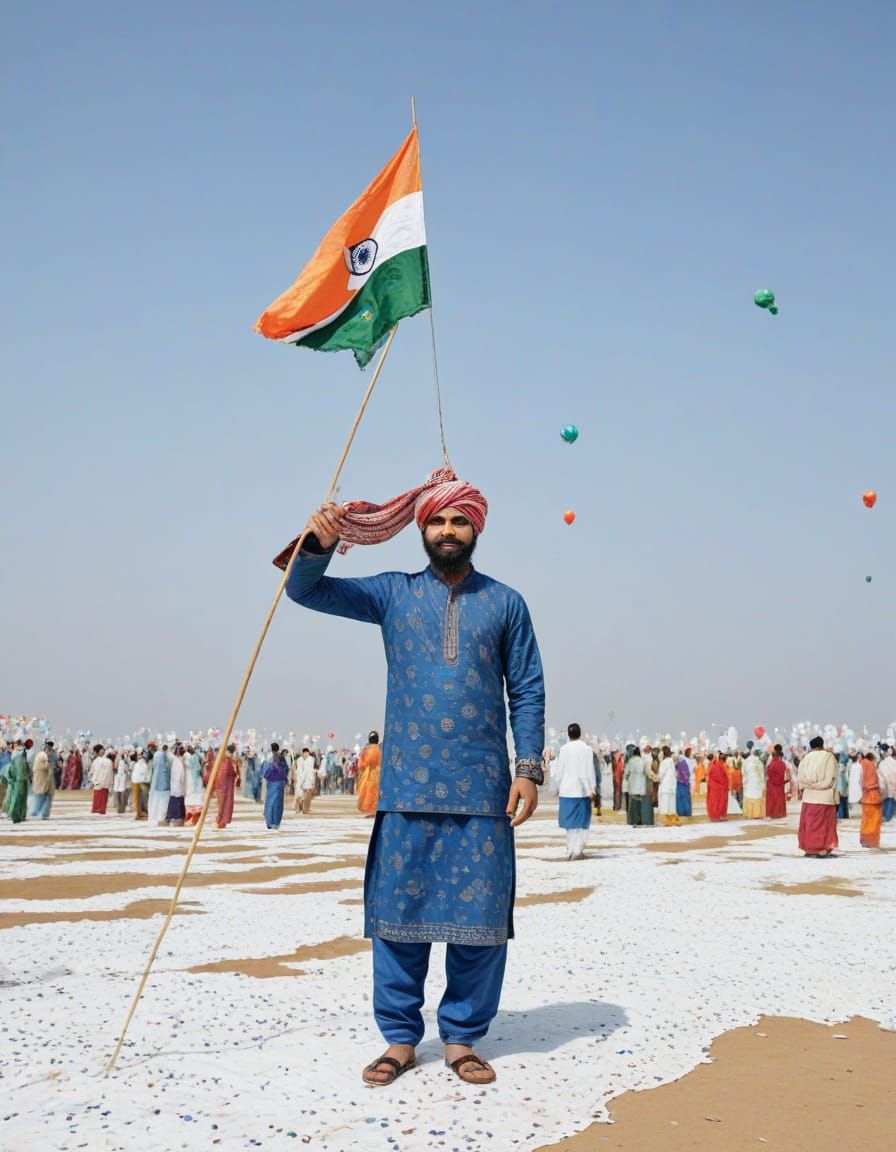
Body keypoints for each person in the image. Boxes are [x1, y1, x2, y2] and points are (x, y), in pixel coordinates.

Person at [283, 472, 544, 1087]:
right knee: (397, 919)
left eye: (459, 521)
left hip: (483, 791)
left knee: (479, 926)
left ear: (476, 527)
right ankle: (400, 1039)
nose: (447, 531)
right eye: (436, 520)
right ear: (420, 528)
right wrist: (318, 541)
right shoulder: (391, 594)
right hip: (405, 790)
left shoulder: (506, 603)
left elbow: (527, 689)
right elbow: (303, 590)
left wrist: (527, 767)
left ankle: (461, 1039)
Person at [550, 723, 596, 859]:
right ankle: (577, 849)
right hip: (582, 791)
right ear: (580, 733)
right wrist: (591, 788)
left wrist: (558, 785)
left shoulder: (564, 749)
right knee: (582, 822)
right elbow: (589, 771)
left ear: (568, 734)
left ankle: (570, 848)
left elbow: (559, 771)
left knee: (569, 823)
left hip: (566, 790)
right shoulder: (587, 749)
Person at [797, 736, 838, 857]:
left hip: (809, 796)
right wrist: (821, 785)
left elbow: (801, 777)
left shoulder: (806, 758)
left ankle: (809, 849)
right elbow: (831, 778)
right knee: (824, 825)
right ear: (822, 744)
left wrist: (811, 785)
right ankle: (822, 849)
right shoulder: (829, 757)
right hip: (824, 797)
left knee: (809, 825)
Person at [623, 744, 652, 826]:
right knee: (640, 803)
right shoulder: (642, 761)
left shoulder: (630, 761)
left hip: (633, 784)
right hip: (641, 784)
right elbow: (646, 772)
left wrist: (628, 779)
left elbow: (626, 774)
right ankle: (640, 819)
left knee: (633, 803)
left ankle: (633, 820)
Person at [859, 752, 883, 849]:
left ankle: (865, 840)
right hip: (874, 797)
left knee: (866, 820)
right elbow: (878, 783)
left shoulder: (862, 765)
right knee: (874, 820)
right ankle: (871, 841)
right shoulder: (871, 767)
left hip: (865, 797)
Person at [262, 742, 288, 830]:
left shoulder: (268, 758)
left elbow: (265, 770)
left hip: (272, 782)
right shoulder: (281, 757)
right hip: (280, 782)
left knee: (270, 802)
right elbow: (286, 769)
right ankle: (276, 822)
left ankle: (270, 822)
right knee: (278, 802)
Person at [5, 741, 32, 823]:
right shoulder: (15, 757)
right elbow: (10, 771)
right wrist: (11, 780)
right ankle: (14, 815)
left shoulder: (23, 758)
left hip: (23, 781)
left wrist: (29, 777)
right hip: (17, 781)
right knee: (16, 798)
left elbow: (28, 770)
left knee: (22, 799)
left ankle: (21, 815)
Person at [356, 732, 382, 817]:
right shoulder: (379, 749)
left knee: (368, 791)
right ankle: (375, 810)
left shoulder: (367, 750)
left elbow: (362, 763)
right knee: (376, 791)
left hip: (368, 773)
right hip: (378, 773)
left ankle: (370, 810)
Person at [215, 744, 240, 829]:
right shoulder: (227, 760)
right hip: (224, 787)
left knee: (224, 805)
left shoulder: (227, 759)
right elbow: (226, 773)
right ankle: (220, 822)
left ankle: (221, 821)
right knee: (224, 805)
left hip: (225, 786)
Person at [30, 743, 55, 820]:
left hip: (40, 780)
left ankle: (37, 813)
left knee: (40, 798)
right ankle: (41, 814)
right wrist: (48, 762)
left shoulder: (39, 755)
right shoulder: (43, 756)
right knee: (43, 798)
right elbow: (45, 767)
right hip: (43, 781)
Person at [148, 744, 172, 825]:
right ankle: (161, 817)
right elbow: (169, 766)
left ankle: (156, 816)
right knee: (164, 802)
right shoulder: (165, 755)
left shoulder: (157, 755)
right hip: (164, 783)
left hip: (157, 782)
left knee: (156, 801)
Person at [657, 746, 679, 826]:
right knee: (671, 806)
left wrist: (657, 778)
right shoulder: (671, 761)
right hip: (672, 787)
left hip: (665, 787)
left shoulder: (664, 762)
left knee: (665, 806)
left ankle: (665, 821)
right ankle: (672, 820)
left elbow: (661, 775)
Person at [165, 745, 187, 826]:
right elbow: (179, 775)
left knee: (177, 800)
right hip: (177, 785)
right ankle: (176, 817)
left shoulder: (178, 761)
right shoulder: (177, 761)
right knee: (176, 800)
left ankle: (176, 817)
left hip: (177, 785)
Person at [765, 745, 788, 819]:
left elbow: (768, 772)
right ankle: (780, 813)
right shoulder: (783, 763)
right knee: (780, 799)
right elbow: (785, 773)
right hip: (780, 784)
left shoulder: (770, 763)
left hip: (771, 784)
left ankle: (771, 813)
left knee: (771, 799)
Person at [742, 749, 765, 819]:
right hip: (757, 783)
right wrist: (762, 783)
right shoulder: (759, 762)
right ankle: (757, 814)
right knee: (757, 796)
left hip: (749, 782)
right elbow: (762, 774)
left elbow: (743, 773)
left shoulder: (746, 762)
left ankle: (749, 813)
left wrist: (744, 782)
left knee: (749, 796)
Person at [90, 745, 114, 814]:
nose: (101, 751)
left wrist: (104, 782)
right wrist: (93, 781)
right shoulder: (95, 761)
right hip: (97, 783)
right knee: (96, 803)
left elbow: (108, 773)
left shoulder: (108, 761)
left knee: (101, 804)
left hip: (103, 784)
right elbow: (92, 771)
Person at [184, 746, 205, 825]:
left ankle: (192, 820)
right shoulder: (195, 757)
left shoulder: (192, 758)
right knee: (196, 800)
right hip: (195, 782)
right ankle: (194, 820)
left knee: (193, 799)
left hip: (193, 782)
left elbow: (197, 768)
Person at [706, 752, 729, 822]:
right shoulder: (717, 764)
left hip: (716, 786)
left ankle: (720, 815)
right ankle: (716, 816)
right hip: (718, 786)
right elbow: (719, 777)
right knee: (716, 802)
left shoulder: (714, 764)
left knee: (718, 802)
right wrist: (724, 784)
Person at [294, 747, 317, 815]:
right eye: (305, 753)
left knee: (308, 795)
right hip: (300, 779)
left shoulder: (311, 760)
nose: (306, 754)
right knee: (299, 795)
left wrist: (312, 779)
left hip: (308, 779)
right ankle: (299, 807)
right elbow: (298, 770)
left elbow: (310, 770)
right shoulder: (299, 760)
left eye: (307, 753)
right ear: (303, 753)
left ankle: (306, 809)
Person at [131, 750, 151, 819]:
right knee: (142, 799)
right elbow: (145, 776)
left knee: (137, 800)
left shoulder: (137, 764)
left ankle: (139, 813)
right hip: (142, 783)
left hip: (135, 783)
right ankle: (141, 813)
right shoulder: (144, 765)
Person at [879, 744, 896, 823]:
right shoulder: (893, 762)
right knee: (891, 800)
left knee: (887, 801)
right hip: (892, 785)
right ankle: (888, 817)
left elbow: (881, 775)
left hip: (885, 785)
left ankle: (886, 817)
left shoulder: (882, 763)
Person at [674, 753, 692, 819]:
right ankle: (687, 813)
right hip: (685, 784)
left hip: (680, 785)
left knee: (680, 800)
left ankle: (681, 813)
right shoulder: (685, 764)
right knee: (685, 799)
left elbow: (679, 774)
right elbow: (687, 775)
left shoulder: (680, 765)